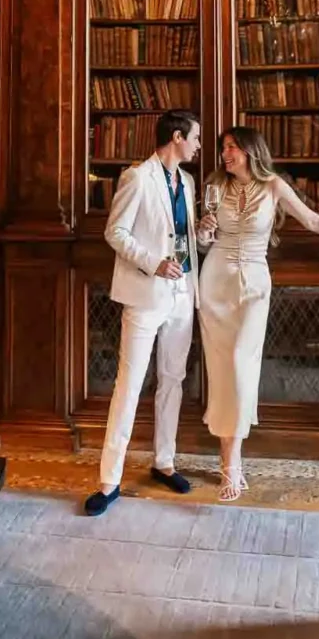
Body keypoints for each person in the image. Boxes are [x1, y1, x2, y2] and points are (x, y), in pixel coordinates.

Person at [196, 125, 319, 502]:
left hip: (254, 285)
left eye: (233, 148)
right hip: (215, 280)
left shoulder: (274, 186)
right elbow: (202, 241)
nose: (225, 155)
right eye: (223, 149)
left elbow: (310, 219)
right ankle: (229, 461)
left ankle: (233, 458)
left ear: (250, 150)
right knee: (220, 368)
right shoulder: (216, 186)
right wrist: (202, 230)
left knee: (240, 364)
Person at [84, 108, 202, 516]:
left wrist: (199, 233)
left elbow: (180, 235)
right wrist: (153, 262)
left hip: (182, 294)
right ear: (176, 137)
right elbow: (114, 232)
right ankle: (109, 480)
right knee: (129, 384)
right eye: (195, 138)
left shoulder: (186, 181)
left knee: (173, 379)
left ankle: (164, 462)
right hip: (144, 294)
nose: (199, 146)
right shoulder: (137, 177)